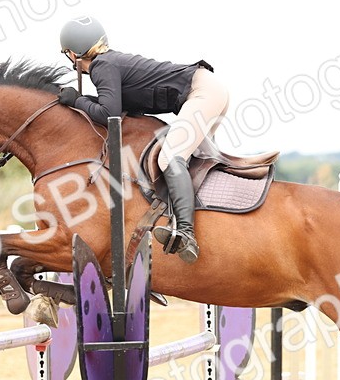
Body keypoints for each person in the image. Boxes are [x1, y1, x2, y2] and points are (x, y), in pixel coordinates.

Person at [56, 15, 230, 264]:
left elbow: (109, 115)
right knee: (192, 162)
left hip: (201, 92)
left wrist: (76, 100)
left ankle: (186, 233)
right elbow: (113, 108)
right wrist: (82, 102)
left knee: (170, 157)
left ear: (73, 53)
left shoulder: (101, 67)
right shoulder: (110, 62)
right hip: (208, 89)